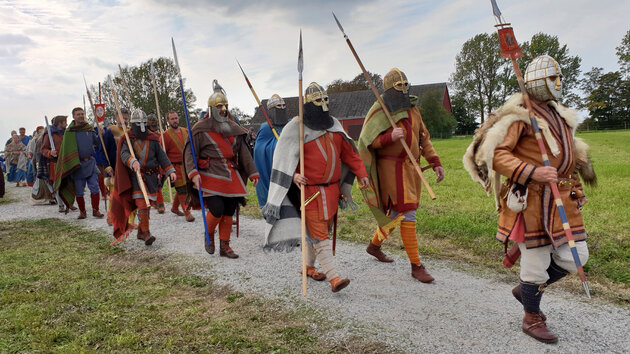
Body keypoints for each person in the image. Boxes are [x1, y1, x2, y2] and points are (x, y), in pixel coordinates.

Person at [463, 55, 595, 344]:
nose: (558, 84)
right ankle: (531, 317)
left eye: (559, 78)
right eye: (552, 78)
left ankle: (526, 290)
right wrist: (532, 171)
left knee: (577, 256)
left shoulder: (559, 115)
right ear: (537, 82)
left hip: (563, 198)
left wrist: (578, 188)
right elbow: (496, 155)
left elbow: (568, 159)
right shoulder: (521, 117)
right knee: (535, 262)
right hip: (531, 200)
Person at [262, 82, 369, 292]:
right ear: (309, 104)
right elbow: (282, 159)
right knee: (320, 235)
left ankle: (308, 268)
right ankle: (334, 278)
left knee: (317, 233)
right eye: (318, 101)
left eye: (326, 100)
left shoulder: (335, 126)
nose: (323, 105)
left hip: (331, 191)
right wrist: (293, 175)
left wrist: (361, 173)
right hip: (309, 193)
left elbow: (350, 155)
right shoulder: (296, 127)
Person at [357, 68, 445, 283]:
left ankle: (374, 246)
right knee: (407, 213)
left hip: (411, 170)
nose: (404, 90)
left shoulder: (414, 110)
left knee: (398, 213)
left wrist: (435, 162)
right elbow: (367, 141)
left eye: (406, 85)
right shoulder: (380, 111)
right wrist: (389, 137)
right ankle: (416, 266)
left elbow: (424, 139)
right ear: (389, 90)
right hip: (391, 171)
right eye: (399, 86)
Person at [184, 83, 259, 258]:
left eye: (225, 106)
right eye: (219, 106)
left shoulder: (233, 127)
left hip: (230, 172)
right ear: (211, 108)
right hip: (210, 172)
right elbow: (190, 153)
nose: (223, 109)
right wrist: (193, 173)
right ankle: (209, 233)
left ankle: (225, 246)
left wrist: (253, 172)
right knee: (217, 208)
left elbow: (243, 152)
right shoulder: (200, 128)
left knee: (229, 208)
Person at [111, 109, 176, 245]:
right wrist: (132, 161)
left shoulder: (153, 138)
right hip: (136, 178)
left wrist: (170, 170)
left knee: (147, 205)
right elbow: (123, 154)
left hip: (151, 178)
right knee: (142, 204)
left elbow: (162, 156)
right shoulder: (128, 139)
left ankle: (141, 231)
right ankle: (146, 233)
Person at [53, 107, 104, 219]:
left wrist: (100, 135)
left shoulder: (89, 128)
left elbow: (96, 143)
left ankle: (96, 210)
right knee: (79, 191)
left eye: (82, 114)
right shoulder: (69, 131)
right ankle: (83, 212)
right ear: (73, 116)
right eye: (78, 114)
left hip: (90, 162)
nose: (80, 116)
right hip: (77, 165)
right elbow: (65, 150)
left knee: (95, 187)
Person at [253, 94, 290, 209]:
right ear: (271, 110)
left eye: (283, 106)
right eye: (278, 106)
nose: (281, 108)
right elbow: (259, 151)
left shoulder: (290, 125)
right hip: (272, 167)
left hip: (290, 164)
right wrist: (277, 147)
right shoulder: (265, 128)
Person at [162, 110, 194, 222]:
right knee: (182, 190)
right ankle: (187, 212)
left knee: (185, 188)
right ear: (168, 120)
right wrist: (165, 170)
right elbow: (162, 154)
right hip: (175, 168)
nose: (175, 120)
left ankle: (175, 208)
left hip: (187, 166)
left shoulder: (185, 131)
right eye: (172, 119)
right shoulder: (165, 136)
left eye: (176, 118)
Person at [42, 115, 70, 212]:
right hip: (55, 162)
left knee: (68, 183)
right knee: (57, 184)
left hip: (66, 161)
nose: (66, 123)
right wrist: (50, 152)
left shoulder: (67, 133)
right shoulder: (49, 134)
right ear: (59, 123)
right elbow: (43, 149)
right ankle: (61, 204)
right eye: (65, 122)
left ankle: (68, 203)